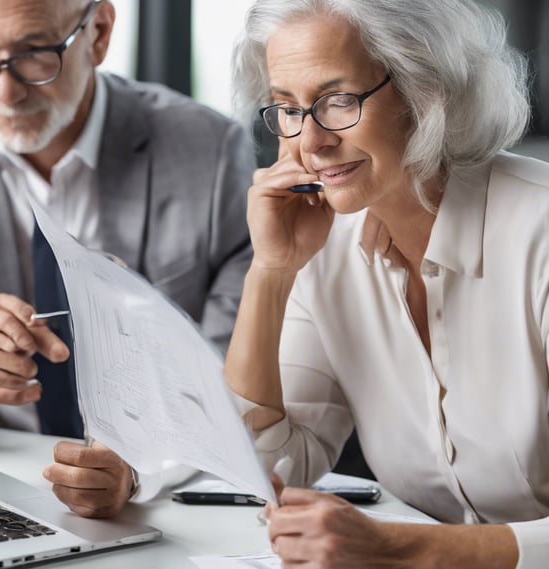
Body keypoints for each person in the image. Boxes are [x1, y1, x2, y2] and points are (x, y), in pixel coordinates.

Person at [0, 0, 254, 519]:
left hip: (168, 487)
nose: (4, 91)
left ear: (98, 33)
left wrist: (140, 465)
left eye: (35, 54)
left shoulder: (208, 151)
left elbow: (236, 375)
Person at [224, 0, 549, 567]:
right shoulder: (323, 247)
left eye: (338, 100)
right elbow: (269, 470)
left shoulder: (539, 231)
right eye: (288, 108)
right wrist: (271, 272)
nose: (311, 141)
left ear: (427, 91)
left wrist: (400, 547)